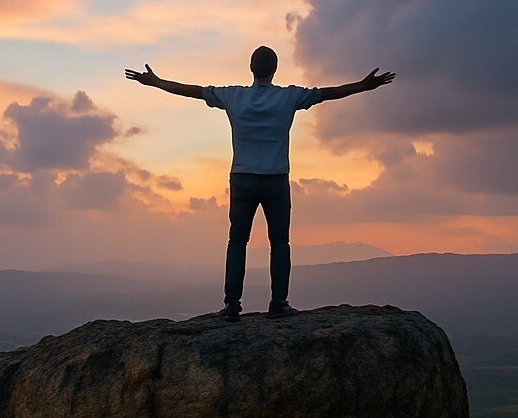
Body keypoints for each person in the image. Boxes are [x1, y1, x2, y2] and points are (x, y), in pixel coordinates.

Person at [125, 46, 395, 321]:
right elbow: (328, 93)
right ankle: (278, 303)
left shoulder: (234, 96)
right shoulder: (288, 97)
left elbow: (192, 91)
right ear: (274, 69)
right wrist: (363, 86)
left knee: (237, 241)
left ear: (251, 69)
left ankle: (232, 305)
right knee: (279, 243)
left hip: (242, 179)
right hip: (276, 179)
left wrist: (157, 83)